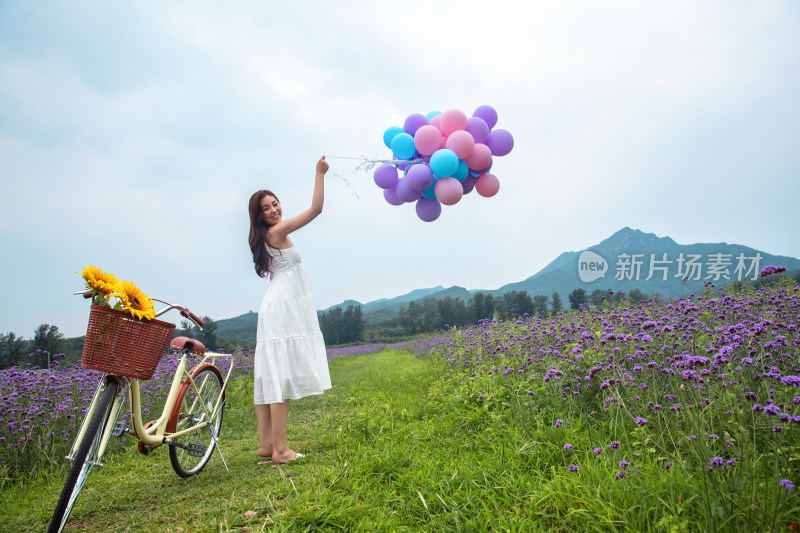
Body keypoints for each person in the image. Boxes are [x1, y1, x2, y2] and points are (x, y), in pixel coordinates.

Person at [247, 156, 332, 464]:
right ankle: (281, 451)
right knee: (279, 375)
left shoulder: (267, 237)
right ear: (259, 216)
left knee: (271, 373)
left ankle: (267, 444)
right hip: (281, 307)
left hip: (275, 303)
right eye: (266, 208)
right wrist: (319, 174)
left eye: (275, 203)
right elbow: (316, 209)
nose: (274, 209)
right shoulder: (276, 233)